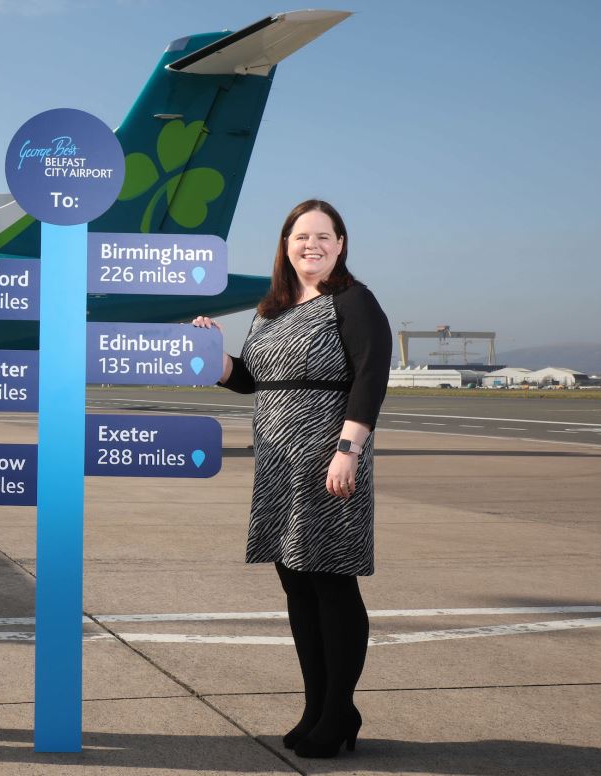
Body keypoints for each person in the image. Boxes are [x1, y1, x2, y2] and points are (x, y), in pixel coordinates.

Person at [193, 199, 390, 759]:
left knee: (331, 582)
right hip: (278, 464)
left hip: (329, 459)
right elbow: (251, 378)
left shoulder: (352, 301)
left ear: (341, 244)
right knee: (296, 583)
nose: (312, 245)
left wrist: (348, 449)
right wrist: (212, 353)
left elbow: (372, 376)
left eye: (324, 237)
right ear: (285, 245)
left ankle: (339, 712)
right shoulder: (270, 309)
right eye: (302, 236)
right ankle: (316, 706)